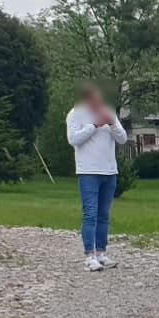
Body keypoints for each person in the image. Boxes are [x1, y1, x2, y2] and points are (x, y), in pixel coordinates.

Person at [65, 85, 128, 272]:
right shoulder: (76, 114)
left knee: (104, 215)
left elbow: (123, 139)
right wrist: (94, 125)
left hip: (109, 171)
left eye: (100, 100)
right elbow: (73, 139)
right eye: (94, 101)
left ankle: (101, 252)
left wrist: (112, 124)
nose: (98, 104)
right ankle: (89, 255)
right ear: (86, 100)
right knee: (90, 214)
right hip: (88, 172)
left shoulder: (108, 112)